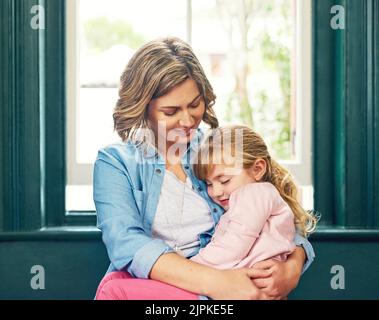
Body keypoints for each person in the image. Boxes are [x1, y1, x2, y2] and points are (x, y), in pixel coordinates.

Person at [94, 37, 315, 300]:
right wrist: (217, 283)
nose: (187, 120)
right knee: (113, 288)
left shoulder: (216, 150)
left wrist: (293, 265)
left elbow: (274, 208)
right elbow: (126, 243)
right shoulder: (116, 163)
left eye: (195, 104)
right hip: (167, 286)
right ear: (144, 107)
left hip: (232, 279)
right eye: (171, 110)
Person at [190, 125, 318, 271]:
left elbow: (232, 247)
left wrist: (189, 268)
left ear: (257, 169)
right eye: (209, 183)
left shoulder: (254, 193)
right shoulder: (258, 196)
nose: (216, 191)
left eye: (225, 180)